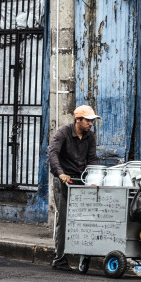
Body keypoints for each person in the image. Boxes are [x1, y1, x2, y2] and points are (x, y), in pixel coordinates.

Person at [48, 104, 101, 271]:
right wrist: (60, 173)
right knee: (63, 219)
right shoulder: (63, 132)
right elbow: (53, 153)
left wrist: (94, 177)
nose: (91, 124)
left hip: (81, 180)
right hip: (64, 180)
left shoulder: (90, 137)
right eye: (88, 121)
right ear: (78, 120)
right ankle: (60, 258)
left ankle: (83, 256)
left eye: (92, 121)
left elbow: (92, 159)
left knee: (85, 219)